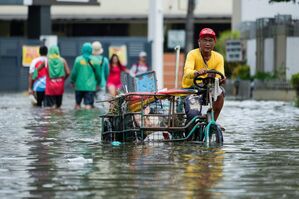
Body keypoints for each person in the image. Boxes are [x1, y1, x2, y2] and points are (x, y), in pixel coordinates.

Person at [182, 28, 226, 121]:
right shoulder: (192, 54)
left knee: (221, 93)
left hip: (208, 88)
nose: (207, 43)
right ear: (199, 42)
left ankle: (212, 122)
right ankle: (192, 129)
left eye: (210, 41)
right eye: (205, 40)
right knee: (193, 114)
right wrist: (196, 73)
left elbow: (220, 74)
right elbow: (187, 72)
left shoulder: (219, 57)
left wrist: (221, 79)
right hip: (191, 89)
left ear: (214, 43)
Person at [70, 42, 101, 109]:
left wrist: (72, 81)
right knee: (88, 105)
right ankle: (88, 118)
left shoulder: (78, 60)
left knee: (77, 104)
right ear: (91, 50)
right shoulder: (96, 60)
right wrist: (98, 83)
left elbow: (74, 73)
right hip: (90, 87)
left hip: (79, 86)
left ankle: (77, 118)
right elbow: (98, 74)